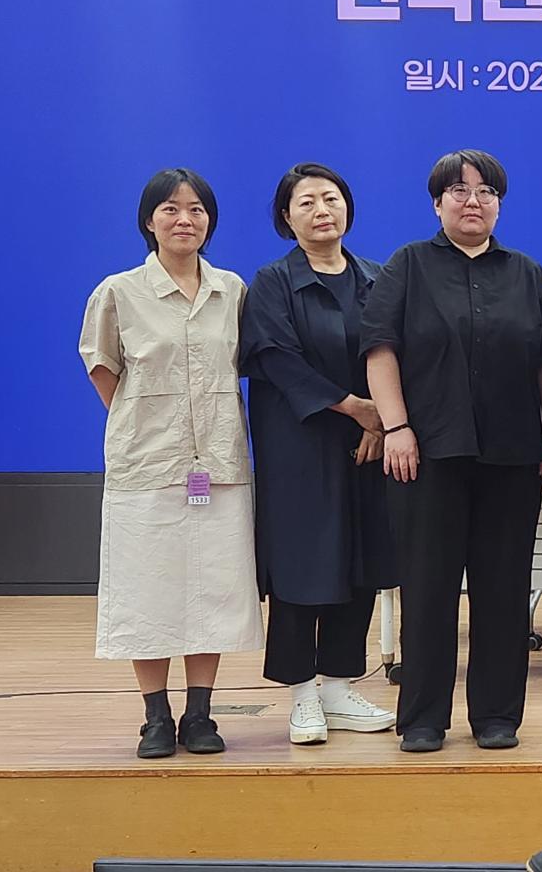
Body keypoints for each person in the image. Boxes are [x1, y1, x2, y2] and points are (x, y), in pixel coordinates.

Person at [362, 149, 542, 754]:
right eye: (458, 190)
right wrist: (397, 428)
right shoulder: (408, 266)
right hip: (426, 455)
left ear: (499, 204)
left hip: (511, 455)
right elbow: (380, 350)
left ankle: (497, 715)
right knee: (428, 588)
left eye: (485, 191)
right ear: (437, 203)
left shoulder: (528, 274)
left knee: (503, 590)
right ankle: (423, 717)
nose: (472, 200)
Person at [79, 168, 263, 759]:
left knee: (213, 590)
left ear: (210, 221)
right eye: (171, 209)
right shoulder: (119, 291)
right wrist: (148, 423)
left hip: (220, 466)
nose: (185, 219)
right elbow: (103, 367)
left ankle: (200, 714)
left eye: (196, 209)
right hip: (146, 467)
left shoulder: (232, 291)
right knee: (148, 591)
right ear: (149, 221)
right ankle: (155, 717)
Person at [240, 163, 399, 746]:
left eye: (330, 198)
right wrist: (353, 407)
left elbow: (394, 351)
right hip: (300, 444)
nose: (321, 210)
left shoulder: (378, 278)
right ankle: (302, 694)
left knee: (361, 560)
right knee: (302, 565)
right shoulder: (273, 282)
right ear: (287, 217)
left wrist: (381, 420)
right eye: (305, 202)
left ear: (347, 208)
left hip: (368, 444)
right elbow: (277, 358)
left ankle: (338, 685)